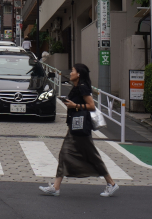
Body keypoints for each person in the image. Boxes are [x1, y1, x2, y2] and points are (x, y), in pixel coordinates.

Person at [39, 63, 119, 198]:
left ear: (79, 74)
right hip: (75, 127)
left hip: (81, 128)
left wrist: (74, 105)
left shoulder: (83, 87)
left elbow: (91, 106)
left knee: (92, 156)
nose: (70, 73)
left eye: (73, 71)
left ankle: (111, 183)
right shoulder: (77, 87)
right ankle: (56, 187)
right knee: (65, 154)